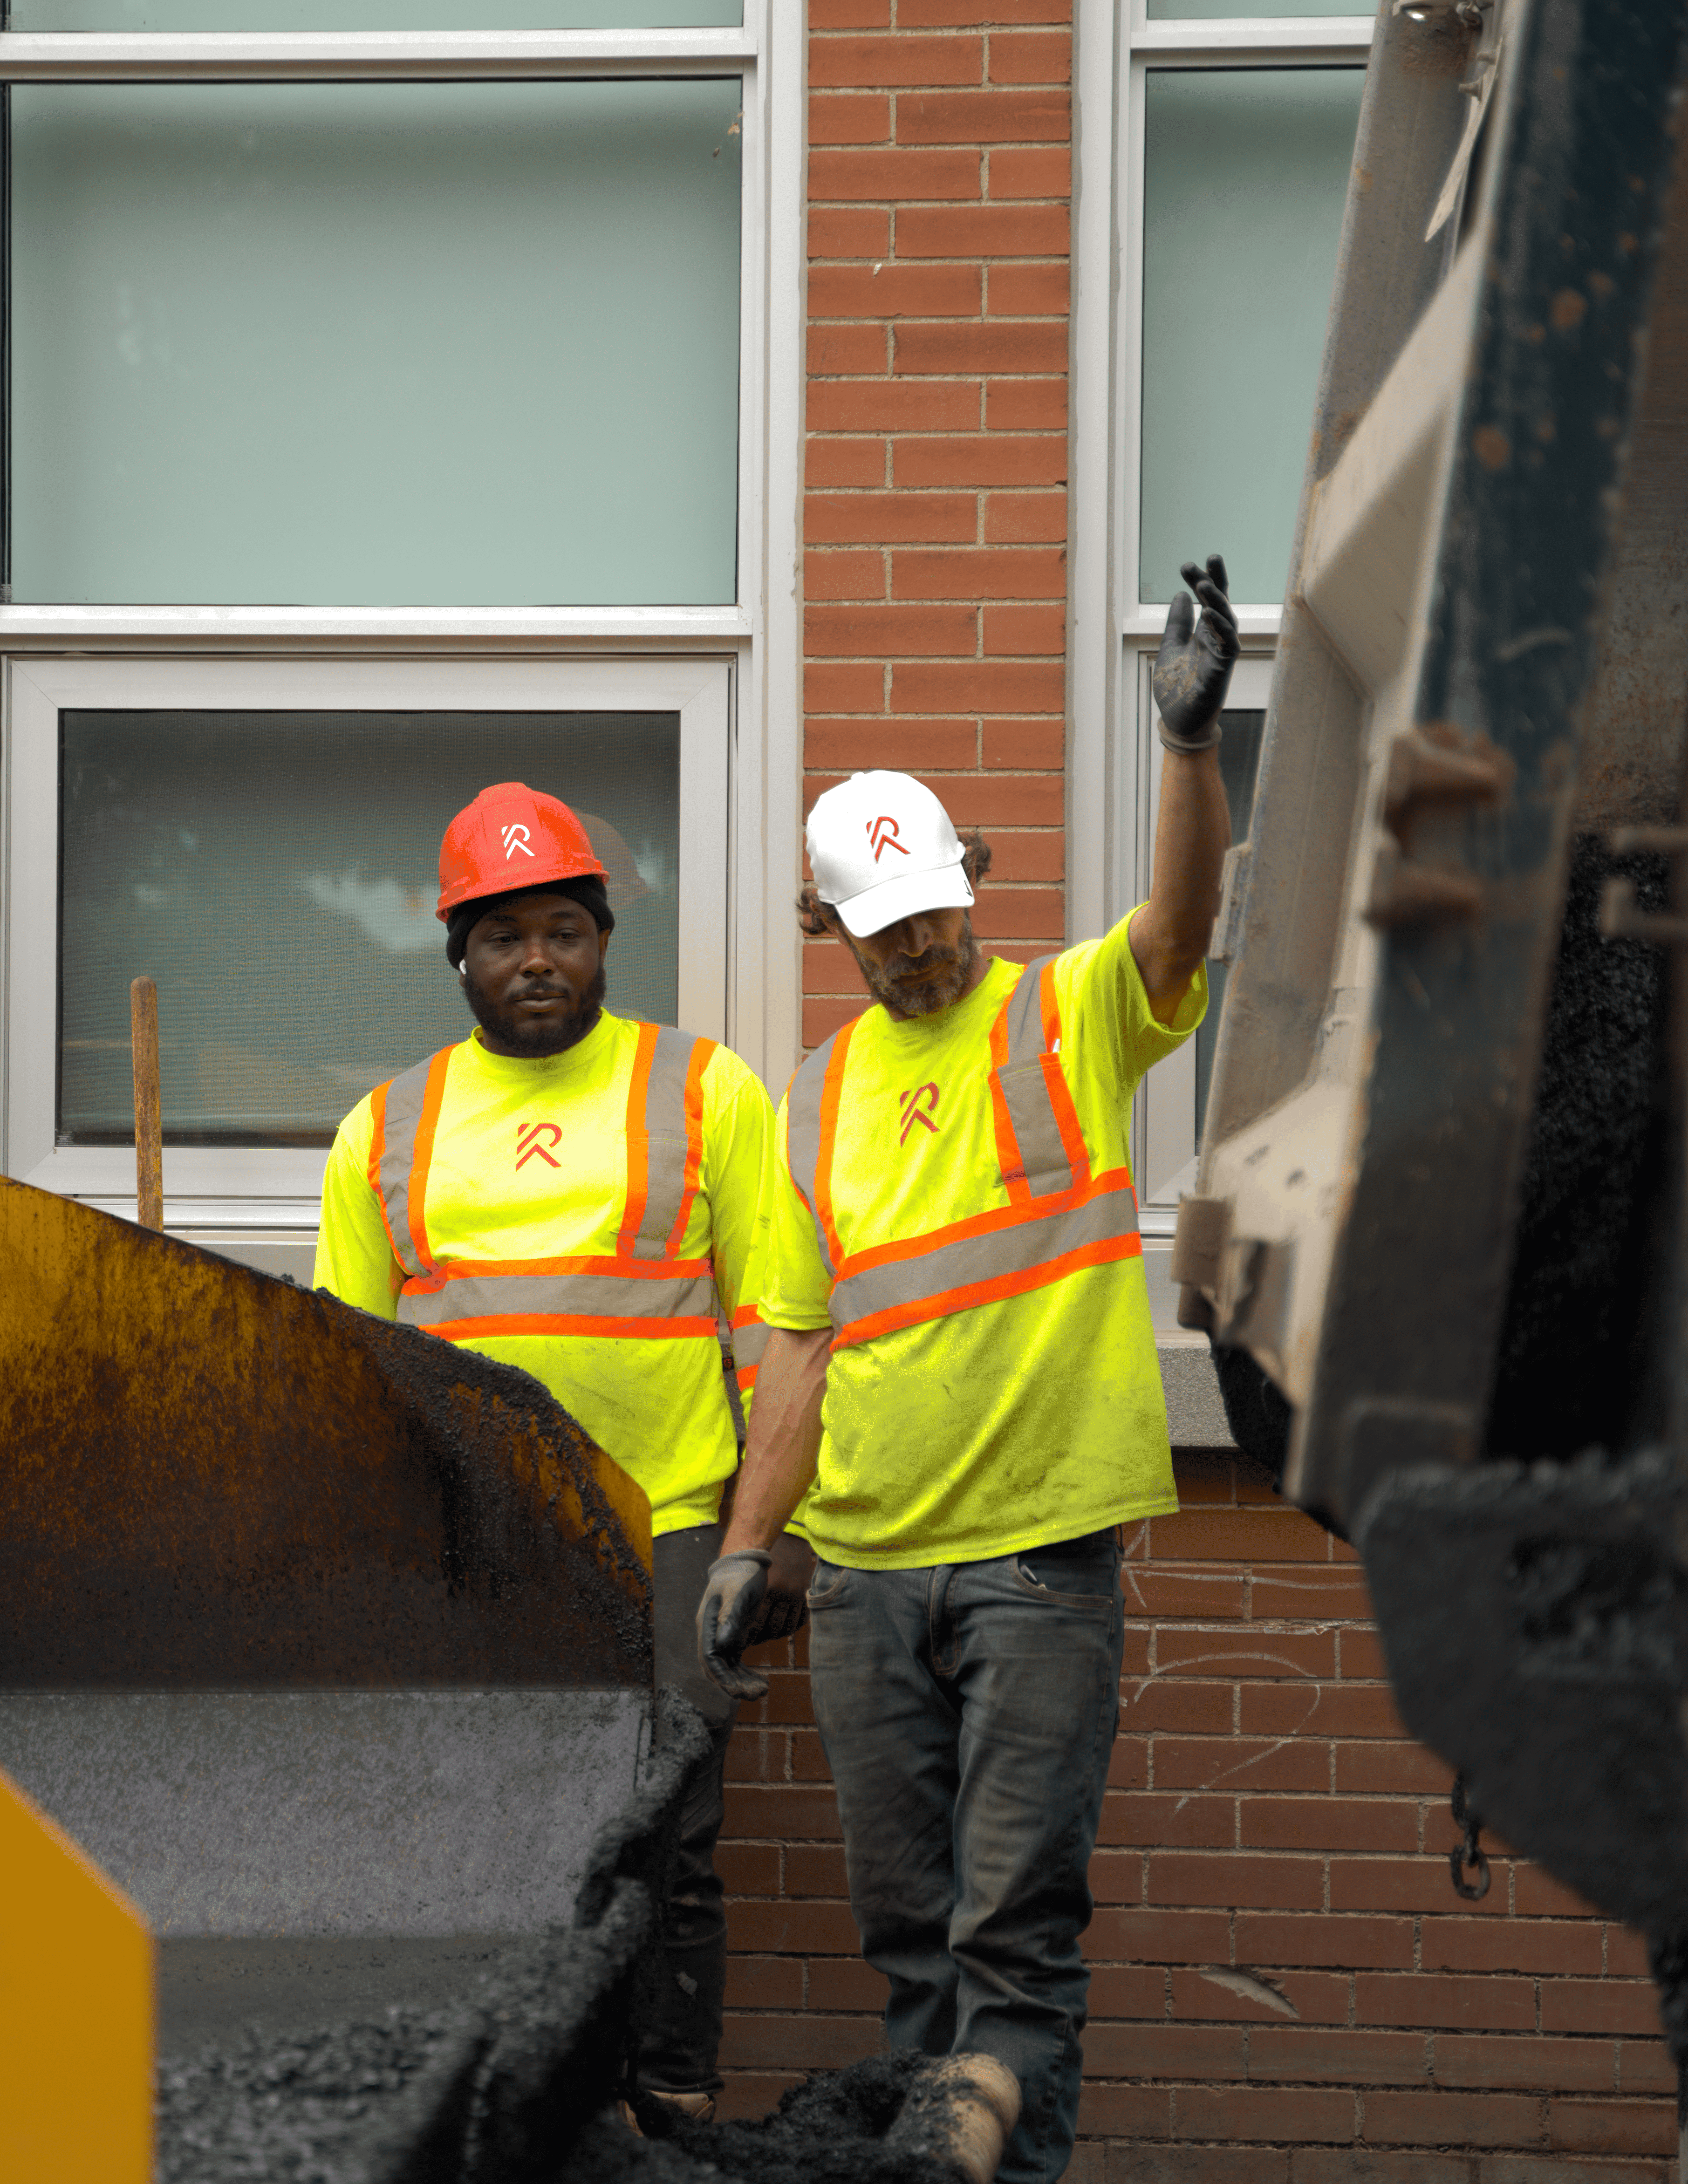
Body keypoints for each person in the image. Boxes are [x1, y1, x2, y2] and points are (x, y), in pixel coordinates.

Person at [696, 556, 1242, 2184]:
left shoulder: (1066, 1014)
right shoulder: (815, 1094)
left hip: (1031, 1557)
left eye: (930, 908)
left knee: (1016, 1942)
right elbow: (793, 1353)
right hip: (864, 1575)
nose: (912, 946)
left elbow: (1179, 927)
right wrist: (745, 1546)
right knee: (909, 1946)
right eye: (875, 926)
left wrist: (1192, 753)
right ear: (828, 928)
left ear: (968, 884)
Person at [313, 779, 810, 2117]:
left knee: (669, 1848)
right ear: (457, 956)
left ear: (602, 941)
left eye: (562, 930)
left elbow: (782, 1328)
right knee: (482, 1841)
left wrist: (779, 1532)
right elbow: (354, 1388)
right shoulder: (385, 1129)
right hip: (472, 1551)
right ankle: (519, 2114)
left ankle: (669, 2111)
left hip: (674, 1531)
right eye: (501, 935)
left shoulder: (703, 1089)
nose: (534, 958)